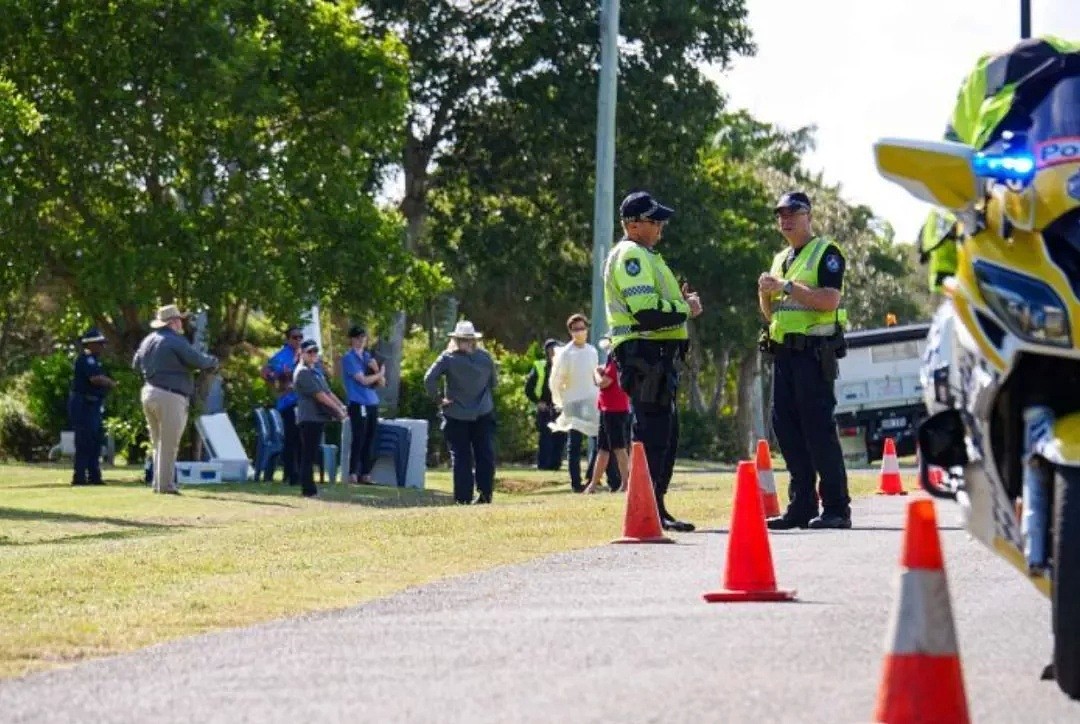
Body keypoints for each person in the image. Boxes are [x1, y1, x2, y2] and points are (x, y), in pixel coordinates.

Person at [603, 190, 703, 532]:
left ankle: (656, 506)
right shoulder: (631, 255)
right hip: (644, 353)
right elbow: (645, 313)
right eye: (653, 220)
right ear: (632, 225)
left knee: (666, 432)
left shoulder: (646, 254)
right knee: (653, 431)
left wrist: (681, 304)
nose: (661, 225)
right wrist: (684, 309)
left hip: (657, 355)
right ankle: (647, 508)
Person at [758, 191, 852, 530]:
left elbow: (829, 299)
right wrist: (764, 293)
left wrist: (785, 286)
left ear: (808, 215)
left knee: (818, 431)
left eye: (792, 213)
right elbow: (772, 314)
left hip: (814, 355)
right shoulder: (781, 258)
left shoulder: (826, 253)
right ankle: (801, 506)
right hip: (784, 355)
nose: (785, 219)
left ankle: (837, 508)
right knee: (787, 430)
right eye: (780, 214)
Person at [132, 304, 219, 495]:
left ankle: (158, 483)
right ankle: (166, 486)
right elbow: (197, 360)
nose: (182, 323)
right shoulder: (174, 340)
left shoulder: (148, 340)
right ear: (173, 322)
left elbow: (135, 363)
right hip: (170, 395)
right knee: (169, 443)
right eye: (179, 320)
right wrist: (213, 362)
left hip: (149, 391)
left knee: (157, 442)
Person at [423, 320, 498, 505]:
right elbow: (494, 383)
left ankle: (468, 497)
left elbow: (429, 380)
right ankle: (480, 495)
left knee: (466, 456)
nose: (464, 342)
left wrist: (439, 399)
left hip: (462, 413)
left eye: (466, 339)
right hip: (478, 412)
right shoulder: (484, 358)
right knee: (480, 455)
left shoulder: (448, 358)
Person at [548, 314, 600, 492]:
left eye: (582, 328)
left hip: (591, 399)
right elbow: (556, 379)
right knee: (574, 444)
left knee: (599, 439)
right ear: (570, 331)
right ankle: (575, 482)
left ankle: (592, 476)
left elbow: (594, 375)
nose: (580, 332)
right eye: (576, 329)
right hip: (573, 401)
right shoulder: (565, 353)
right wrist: (560, 399)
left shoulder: (592, 351)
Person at [294, 340, 348, 499]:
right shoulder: (302, 372)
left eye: (315, 352)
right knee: (308, 454)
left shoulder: (315, 371)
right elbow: (320, 396)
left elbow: (328, 392)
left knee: (312, 452)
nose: (313, 355)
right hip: (309, 417)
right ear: (302, 353)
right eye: (309, 352)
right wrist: (337, 410)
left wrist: (342, 406)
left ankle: (311, 488)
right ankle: (308, 489)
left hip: (318, 418)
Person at [68, 328, 117, 486]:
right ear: (91, 344)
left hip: (93, 404)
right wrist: (109, 382)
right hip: (84, 404)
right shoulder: (86, 359)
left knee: (95, 441)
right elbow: (95, 379)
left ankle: (94, 476)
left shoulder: (96, 361)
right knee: (84, 441)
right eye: (99, 343)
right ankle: (80, 476)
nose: (102, 347)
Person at [583, 341, 630, 495]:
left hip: (614, 409)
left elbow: (604, 383)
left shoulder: (617, 361)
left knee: (619, 448)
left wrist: (596, 373)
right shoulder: (612, 361)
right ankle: (592, 485)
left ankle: (626, 484)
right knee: (603, 449)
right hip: (607, 408)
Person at [340, 325, 384, 484]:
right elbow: (363, 380)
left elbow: (382, 383)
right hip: (358, 402)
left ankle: (366, 473)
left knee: (370, 437)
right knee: (359, 437)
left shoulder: (368, 357)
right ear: (351, 340)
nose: (361, 341)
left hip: (372, 401)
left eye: (363, 338)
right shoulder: (349, 358)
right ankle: (353, 472)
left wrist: (376, 369)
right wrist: (379, 374)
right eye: (357, 338)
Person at [262, 327, 303, 485]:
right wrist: (279, 378)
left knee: (301, 438)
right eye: (294, 337)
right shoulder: (281, 356)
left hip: (302, 402)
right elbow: (267, 373)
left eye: (300, 337)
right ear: (288, 339)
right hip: (288, 402)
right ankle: (290, 473)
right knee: (292, 437)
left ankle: (299, 472)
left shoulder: (303, 355)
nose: (298, 340)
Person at [524, 339, 566, 471]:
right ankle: (543, 465)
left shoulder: (565, 367)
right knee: (546, 437)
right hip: (545, 406)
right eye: (550, 351)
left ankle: (555, 465)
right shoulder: (540, 366)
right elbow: (528, 388)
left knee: (560, 436)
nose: (553, 353)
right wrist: (538, 402)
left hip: (561, 406)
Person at [916, 208, 959, 296]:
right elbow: (927, 243)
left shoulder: (936, 214)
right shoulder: (935, 214)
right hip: (942, 275)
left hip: (956, 269)